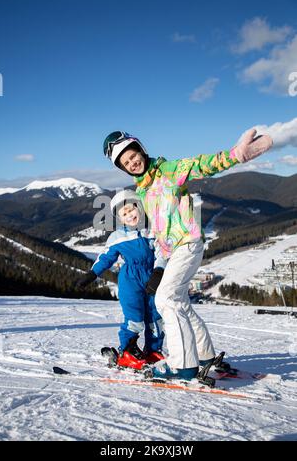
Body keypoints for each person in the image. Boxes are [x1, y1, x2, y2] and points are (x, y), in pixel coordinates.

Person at [103, 129, 273, 380]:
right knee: (179, 302)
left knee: (166, 299)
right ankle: (205, 357)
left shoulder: (168, 171)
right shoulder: (141, 192)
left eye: (132, 155)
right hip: (173, 251)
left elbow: (200, 165)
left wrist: (236, 155)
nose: (132, 163)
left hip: (187, 242)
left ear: (141, 150)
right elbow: (156, 232)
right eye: (126, 163)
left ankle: (183, 365)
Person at [76, 189, 165, 370]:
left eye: (131, 210)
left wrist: (159, 271)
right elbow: (106, 258)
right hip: (130, 280)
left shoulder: (154, 230)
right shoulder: (117, 237)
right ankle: (127, 351)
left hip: (152, 278)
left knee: (156, 317)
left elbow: (163, 251)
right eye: (124, 214)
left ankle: (153, 351)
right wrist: (92, 274)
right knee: (135, 317)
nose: (129, 215)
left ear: (139, 207)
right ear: (119, 218)